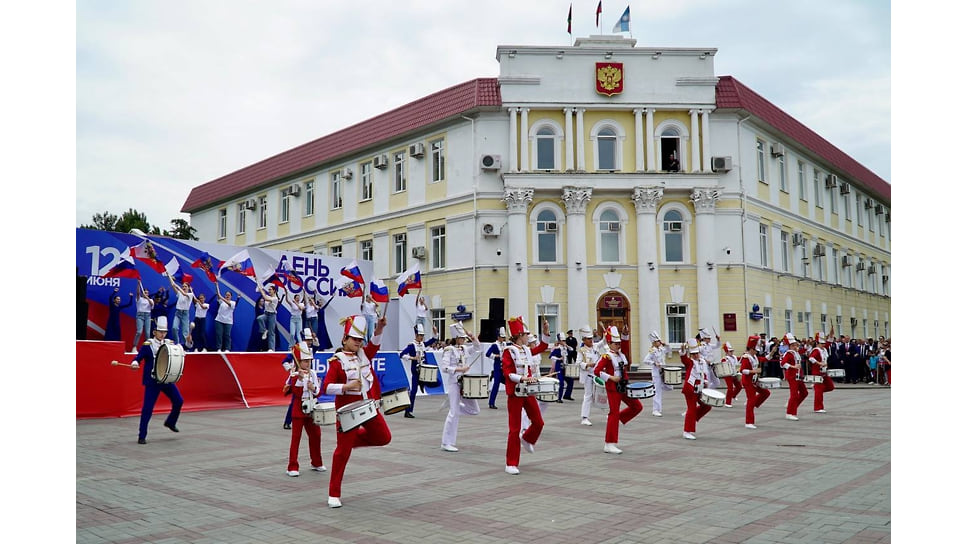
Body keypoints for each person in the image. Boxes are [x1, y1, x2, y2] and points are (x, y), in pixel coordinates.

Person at [322, 314, 391, 508]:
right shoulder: (336, 361)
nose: (358, 343)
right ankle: (333, 493)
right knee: (342, 453)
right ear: (345, 339)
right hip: (348, 411)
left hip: (368, 407)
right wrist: (346, 386)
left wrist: (379, 328)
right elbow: (326, 387)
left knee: (384, 437)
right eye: (355, 339)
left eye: (360, 340)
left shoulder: (364, 355)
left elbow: (374, 344)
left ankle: (351, 441)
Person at [501, 316, 550, 475]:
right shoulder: (509, 351)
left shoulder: (527, 350)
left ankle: (528, 438)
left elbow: (542, 346)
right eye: (526, 334)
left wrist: (546, 333)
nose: (528, 336)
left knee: (539, 422)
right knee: (514, 429)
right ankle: (511, 463)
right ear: (519, 335)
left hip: (528, 391)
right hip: (515, 392)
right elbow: (508, 374)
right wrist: (522, 378)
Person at [126, 316, 183, 444]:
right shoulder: (148, 345)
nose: (163, 334)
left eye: (164, 332)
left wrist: (188, 342)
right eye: (160, 331)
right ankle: (142, 436)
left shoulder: (169, 343)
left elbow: (181, 349)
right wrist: (135, 362)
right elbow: (138, 357)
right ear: (154, 332)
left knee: (179, 401)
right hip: (152, 381)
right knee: (148, 408)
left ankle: (170, 422)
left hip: (166, 380)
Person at [593, 326, 642, 453]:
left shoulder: (621, 354)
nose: (618, 346)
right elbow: (596, 371)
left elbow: (626, 345)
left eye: (619, 343)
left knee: (637, 406)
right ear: (609, 344)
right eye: (616, 343)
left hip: (624, 385)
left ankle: (617, 419)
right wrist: (610, 377)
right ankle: (609, 443)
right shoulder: (606, 356)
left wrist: (625, 334)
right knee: (613, 413)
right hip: (613, 388)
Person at [283, 341, 326, 476]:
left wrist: (314, 389)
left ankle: (316, 462)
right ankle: (292, 466)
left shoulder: (313, 373)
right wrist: (300, 380)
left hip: (312, 410)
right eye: (305, 361)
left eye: (309, 361)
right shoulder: (294, 375)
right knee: (296, 438)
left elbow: (319, 392)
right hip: (298, 410)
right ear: (298, 361)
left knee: (316, 436)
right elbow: (295, 393)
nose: (308, 364)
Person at [438, 323, 482, 452]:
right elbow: (444, 368)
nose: (463, 339)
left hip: (465, 383)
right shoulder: (449, 350)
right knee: (453, 414)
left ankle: (454, 406)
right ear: (456, 337)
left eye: (464, 337)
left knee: (475, 410)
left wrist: (472, 337)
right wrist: (459, 369)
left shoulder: (464, 348)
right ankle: (446, 443)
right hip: (454, 383)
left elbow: (477, 347)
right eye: (461, 337)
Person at [282, 328, 320, 430]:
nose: (309, 342)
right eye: (307, 340)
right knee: (295, 400)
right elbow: (285, 361)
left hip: (308, 376)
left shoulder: (310, 350)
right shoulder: (296, 349)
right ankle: (287, 421)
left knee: (313, 398)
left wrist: (315, 338)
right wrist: (291, 368)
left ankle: (315, 419)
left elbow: (317, 347)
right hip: (297, 376)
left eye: (310, 341)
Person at [399, 323, 438, 418]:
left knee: (437, 382)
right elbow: (402, 355)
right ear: (416, 335)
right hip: (416, 371)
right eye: (420, 336)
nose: (422, 337)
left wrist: (435, 332)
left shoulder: (423, 344)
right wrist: (412, 358)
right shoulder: (412, 345)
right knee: (413, 391)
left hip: (424, 371)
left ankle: (423, 383)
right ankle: (407, 411)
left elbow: (433, 340)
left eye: (422, 336)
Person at [680, 338, 712, 440]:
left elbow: (704, 374)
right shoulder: (690, 362)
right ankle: (687, 431)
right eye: (693, 354)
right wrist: (683, 352)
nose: (696, 355)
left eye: (697, 353)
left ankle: (693, 419)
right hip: (690, 388)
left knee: (706, 406)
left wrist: (706, 382)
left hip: (700, 387)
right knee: (691, 408)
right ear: (691, 355)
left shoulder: (702, 361)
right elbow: (684, 359)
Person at [739, 335, 771, 429]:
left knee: (766, 392)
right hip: (748, 381)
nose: (756, 351)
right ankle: (748, 422)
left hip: (754, 381)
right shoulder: (746, 357)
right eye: (755, 350)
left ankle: (754, 403)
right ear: (751, 349)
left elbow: (764, 359)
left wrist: (772, 352)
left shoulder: (754, 357)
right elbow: (742, 370)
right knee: (751, 400)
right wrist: (754, 371)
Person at [577, 325, 607, 426]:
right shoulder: (581, 351)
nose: (591, 340)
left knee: (604, 394)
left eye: (591, 338)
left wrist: (606, 334)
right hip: (589, 376)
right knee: (588, 396)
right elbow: (578, 363)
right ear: (584, 340)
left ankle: (609, 413)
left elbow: (603, 342)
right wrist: (587, 365)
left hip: (598, 375)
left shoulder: (595, 346)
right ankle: (584, 417)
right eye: (589, 339)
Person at [643, 330, 672, 417]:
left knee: (670, 387)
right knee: (657, 391)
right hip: (656, 373)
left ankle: (658, 386)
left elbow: (669, 349)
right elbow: (645, 360)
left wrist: (665, 344)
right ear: (654, 342)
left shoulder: (661, 349)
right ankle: (656, 410)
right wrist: (654, 363)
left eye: (659, 341)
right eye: (658, 341)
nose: (659, 342)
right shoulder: (652, 351)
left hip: (663, 371)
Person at [780, 333, 808, 420]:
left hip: (799, 376)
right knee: (794, 394)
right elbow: (783, 363)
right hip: (792, 376)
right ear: (790, 346)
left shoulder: (796, 352)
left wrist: (804, 345)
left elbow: (804, 350)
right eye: (793, 345)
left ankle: (792, 405)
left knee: (804, 393)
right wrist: (793, 366)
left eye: (795, 344)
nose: (795, 346)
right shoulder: (789, 353)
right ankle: (790, 413)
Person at [809, 333, 835, 413]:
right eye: (821, 343)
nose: (823, 345)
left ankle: (817, 389)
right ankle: (818, 408)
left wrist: (831, 334)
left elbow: (830, 342)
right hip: (817, 372)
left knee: (830, 386)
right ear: (817, 343)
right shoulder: (816, 350)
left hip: (824, 371)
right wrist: (819, 363)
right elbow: (811, 358)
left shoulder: (824, 349)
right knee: (819, 391)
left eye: (824, 343)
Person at [168, 275, 195, 347]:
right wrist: (169, 276)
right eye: (183, 286)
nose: (183, 287)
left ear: (189, 288)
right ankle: (177, 344)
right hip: (178, 313)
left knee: (185, 333)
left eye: (185, 286)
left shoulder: (190, 294)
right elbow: (173, 285)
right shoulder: (180, 293)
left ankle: (187, 346)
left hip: (185, 314)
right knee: (174, 328)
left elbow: (184, 293)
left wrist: (177, 286)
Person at [486, 327, 508, 409]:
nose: (503, 339)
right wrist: (496, 356)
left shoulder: (505, 344)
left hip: (505, 368)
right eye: (502, 337)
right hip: (498, 368)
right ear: (498, 337)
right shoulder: (495, 345)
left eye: (504, 337)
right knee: (496, 385)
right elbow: (487, 354)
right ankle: (491, 403)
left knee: (509, 383)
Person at [257, 283, 281, 351]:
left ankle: (271, 348)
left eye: (270, 289)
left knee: (271, 332)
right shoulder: (268, 296)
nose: (269, 291)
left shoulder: (275, 298)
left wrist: (262, 291)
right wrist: (260, 288)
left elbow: (265, 298)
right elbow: (264, 295)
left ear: (274, 291)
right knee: (259, 318)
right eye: (268, 289)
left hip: (272, 315)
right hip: (266, 314)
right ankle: (264, 331)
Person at [131, 282, 154, 352]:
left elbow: (152, 304)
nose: (146, 293)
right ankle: (134, 347)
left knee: (147, 333)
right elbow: (138, 293)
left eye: (147, 293)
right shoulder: (139, 299)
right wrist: (138, 284)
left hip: (147, 316)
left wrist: (146, 297)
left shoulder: (151, 300)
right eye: (145, 292)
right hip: (140, 315)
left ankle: (147, 348)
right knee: (139, 331)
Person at [213, 286, 235, 352]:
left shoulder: (233, 303)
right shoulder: (221, 301)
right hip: (219, 320)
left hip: (228, 322)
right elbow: (218, 294)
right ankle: (219, 348)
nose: (227, 296)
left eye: (229, 295)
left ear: (231, 296)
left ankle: (227, 348)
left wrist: (221, 297)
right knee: (219, 334)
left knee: (227, 335)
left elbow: (227, 303)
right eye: (226, 295)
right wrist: (216, 285)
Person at [721, 342, 742, 408]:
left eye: (732, 351)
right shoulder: (724, 358)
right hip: (728, 375)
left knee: (739, 386)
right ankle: (728, 402)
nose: (731, 352)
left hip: (734, 374)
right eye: (730, 351)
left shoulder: (734, 357)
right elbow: (724, 367)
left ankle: (733, 395)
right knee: (730, 388)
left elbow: (737, 363)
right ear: (727, 352)